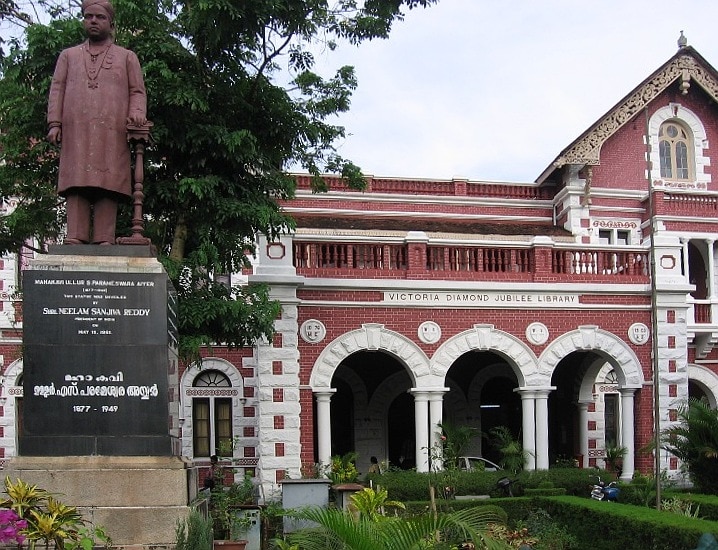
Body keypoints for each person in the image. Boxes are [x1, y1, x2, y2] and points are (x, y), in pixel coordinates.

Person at [47, 0, 147, 245]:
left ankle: (105, 237)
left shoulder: (127, 57)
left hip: (111, 131)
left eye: (99, 17)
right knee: (76, 181)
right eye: (88, 16)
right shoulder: (68, 56)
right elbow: (57, 89)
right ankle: (76, 236)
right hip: (76, 130)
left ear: (111, 23)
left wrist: (136, 113)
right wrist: (54, 123)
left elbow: (137, 91)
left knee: (108, 182)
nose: (93, 21)